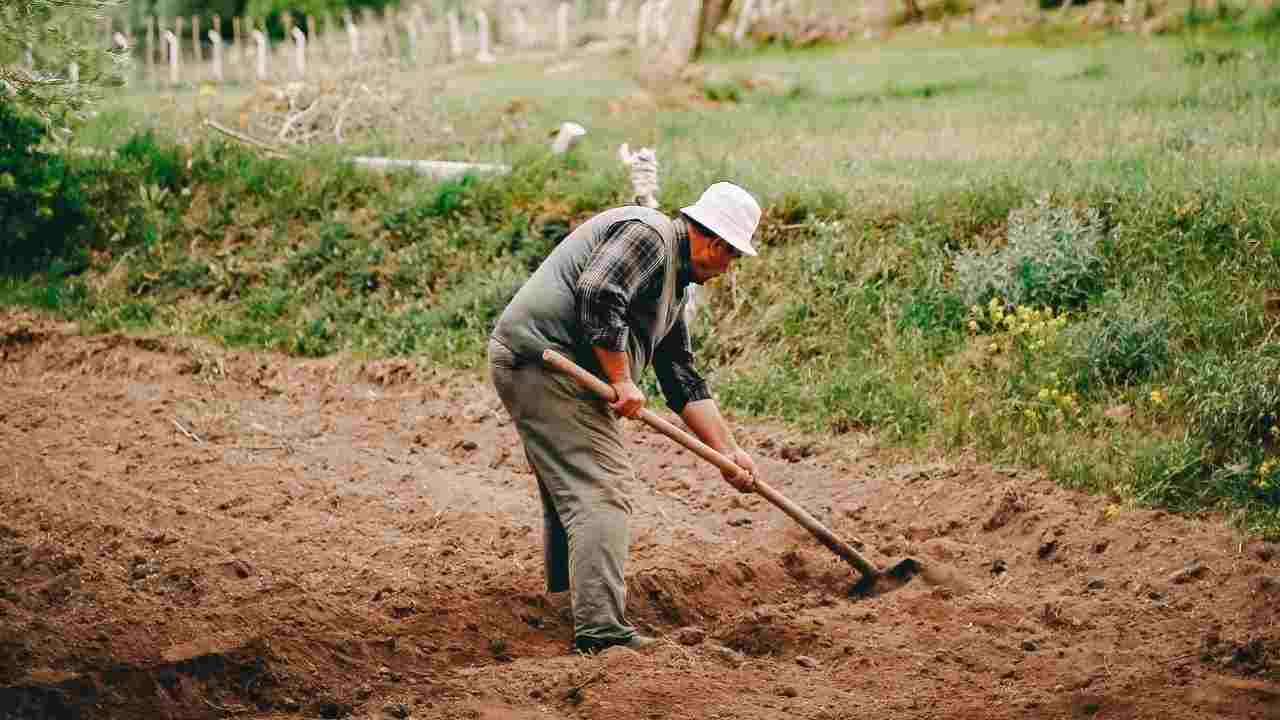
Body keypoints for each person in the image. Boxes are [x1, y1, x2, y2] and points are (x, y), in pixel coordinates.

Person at [488, 182, 762, 654]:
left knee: (572, 491)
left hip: (555, 366)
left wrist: (727, 451)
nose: (728, 268)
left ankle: (570, 603)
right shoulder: (649, 236)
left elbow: (680, 375)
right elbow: (597, 291)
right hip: (545, 362)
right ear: (717, 243)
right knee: (601, 491)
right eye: (733, 257)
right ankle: (602, 632)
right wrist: (622, 377)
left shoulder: (674, 283)